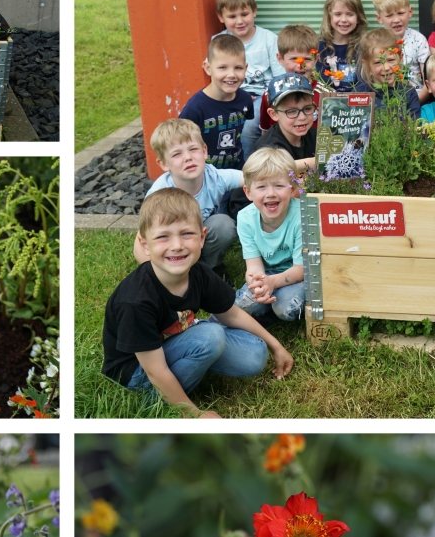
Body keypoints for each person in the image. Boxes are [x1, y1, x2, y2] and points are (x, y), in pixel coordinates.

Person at [102, 189, 294, 418]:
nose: (177, 245)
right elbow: (156, 371)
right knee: (210, 336)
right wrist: (194, 415)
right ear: (144, 244)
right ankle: (157, 399)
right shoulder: (136, 300)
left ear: (202, 237)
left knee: (253, 355)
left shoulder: (198, 273)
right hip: (138, 373)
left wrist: (276, 346)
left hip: (173, 343)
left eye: (186, 234)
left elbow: (231, 314)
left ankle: (194, 359)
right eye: (163, 236)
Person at [139, 119, 242, 277]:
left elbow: (253, 177)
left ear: (204, 151)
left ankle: (208, 270)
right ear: (164, 164)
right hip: (174, 244)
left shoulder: (215, 177)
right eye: (177, 154)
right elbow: (141, 240)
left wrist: (287, 176)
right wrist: (156, 275)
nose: (188, 157)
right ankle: (182, 274)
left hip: (198, 238)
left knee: (223, 224)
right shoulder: (159, 195)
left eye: (193, 149)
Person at [211, 0, 283, 160]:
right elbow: (217, 78)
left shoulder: (268, 39)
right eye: (232, 16)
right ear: (221, 17)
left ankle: (249, 168)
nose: (240, 21)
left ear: (254, 11)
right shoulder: (219, 42)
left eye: (244, 14)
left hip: (263, 96)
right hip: (231, 95)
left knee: (249, 124)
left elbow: (279, 78)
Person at [234, 148, 307, 323]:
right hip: (267, 274)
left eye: (279, 185)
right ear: (248, 192)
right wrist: (258, 283)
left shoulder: (301, 215)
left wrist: (272, 283)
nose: (271, 193)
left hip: (297, 276)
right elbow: (253, 266)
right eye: (261, 186)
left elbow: (301, 269)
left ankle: (273, 310)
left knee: (286, 308)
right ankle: (265, 305)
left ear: (292, 188)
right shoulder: (245, 218)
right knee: (242, 305)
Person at [178, 34, 254, 170]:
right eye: (223, 67)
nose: (231, 74)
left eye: (238, 68)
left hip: (236, 171)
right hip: (206, 176)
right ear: (208, 68)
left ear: (245, 68)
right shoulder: (195, 107)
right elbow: (179, 141)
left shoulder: (245, 99)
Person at [257, 24, 322, 132]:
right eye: (294, 59)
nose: (301, 65)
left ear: (316, 59)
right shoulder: (269, 94)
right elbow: (266, 131)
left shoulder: (324, 94)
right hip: (279, 147)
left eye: (307, 59)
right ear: (280, 59)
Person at [373, 0, 430, 94]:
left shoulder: (418, 40)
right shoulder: (375, 42)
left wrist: (416, 103)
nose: (396, 20)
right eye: (389, 15)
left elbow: (428, 81)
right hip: (386, 99)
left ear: (410, 12)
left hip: (416, 98)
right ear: (379, 18)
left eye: (400, 13)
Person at [253, 74, 319, 172]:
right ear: (274, 114)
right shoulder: (268, 146)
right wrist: (317, 162)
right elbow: (271, 169)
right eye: (291, 111)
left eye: (308, 108)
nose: (302, 117)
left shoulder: (312, 134)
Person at [352, 27, 422, 117]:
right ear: (367, 66)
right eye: (378, 62)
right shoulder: (358, 93)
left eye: (391, 60)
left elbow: (415, 126)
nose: (386, 67)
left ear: (401, 58)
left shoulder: (409, 93)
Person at [316, 0, 369, 92]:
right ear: (329, 16)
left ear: (358, 18)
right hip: (329, 100)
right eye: (338, 14)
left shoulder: (364, 45)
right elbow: (319, 79)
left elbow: (365, 79)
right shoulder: (320, 46)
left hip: (357, 101)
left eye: (350, 14)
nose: (344, 20)